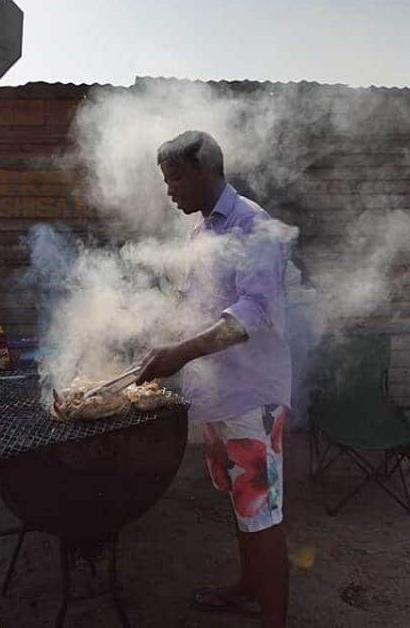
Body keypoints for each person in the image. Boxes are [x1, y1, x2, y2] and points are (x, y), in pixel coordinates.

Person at [137, 130, 292, 627]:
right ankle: (249, 590)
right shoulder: (202, 232)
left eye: (176, 178)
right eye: (166, 180)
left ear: (206, 171)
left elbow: (253, 312)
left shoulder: (252, 225)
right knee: (243, 507)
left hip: (251, 399)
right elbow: (199, 307)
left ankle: (274, 619)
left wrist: (179, 353)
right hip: (217, 396)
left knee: (262, 515)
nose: (170, 191)